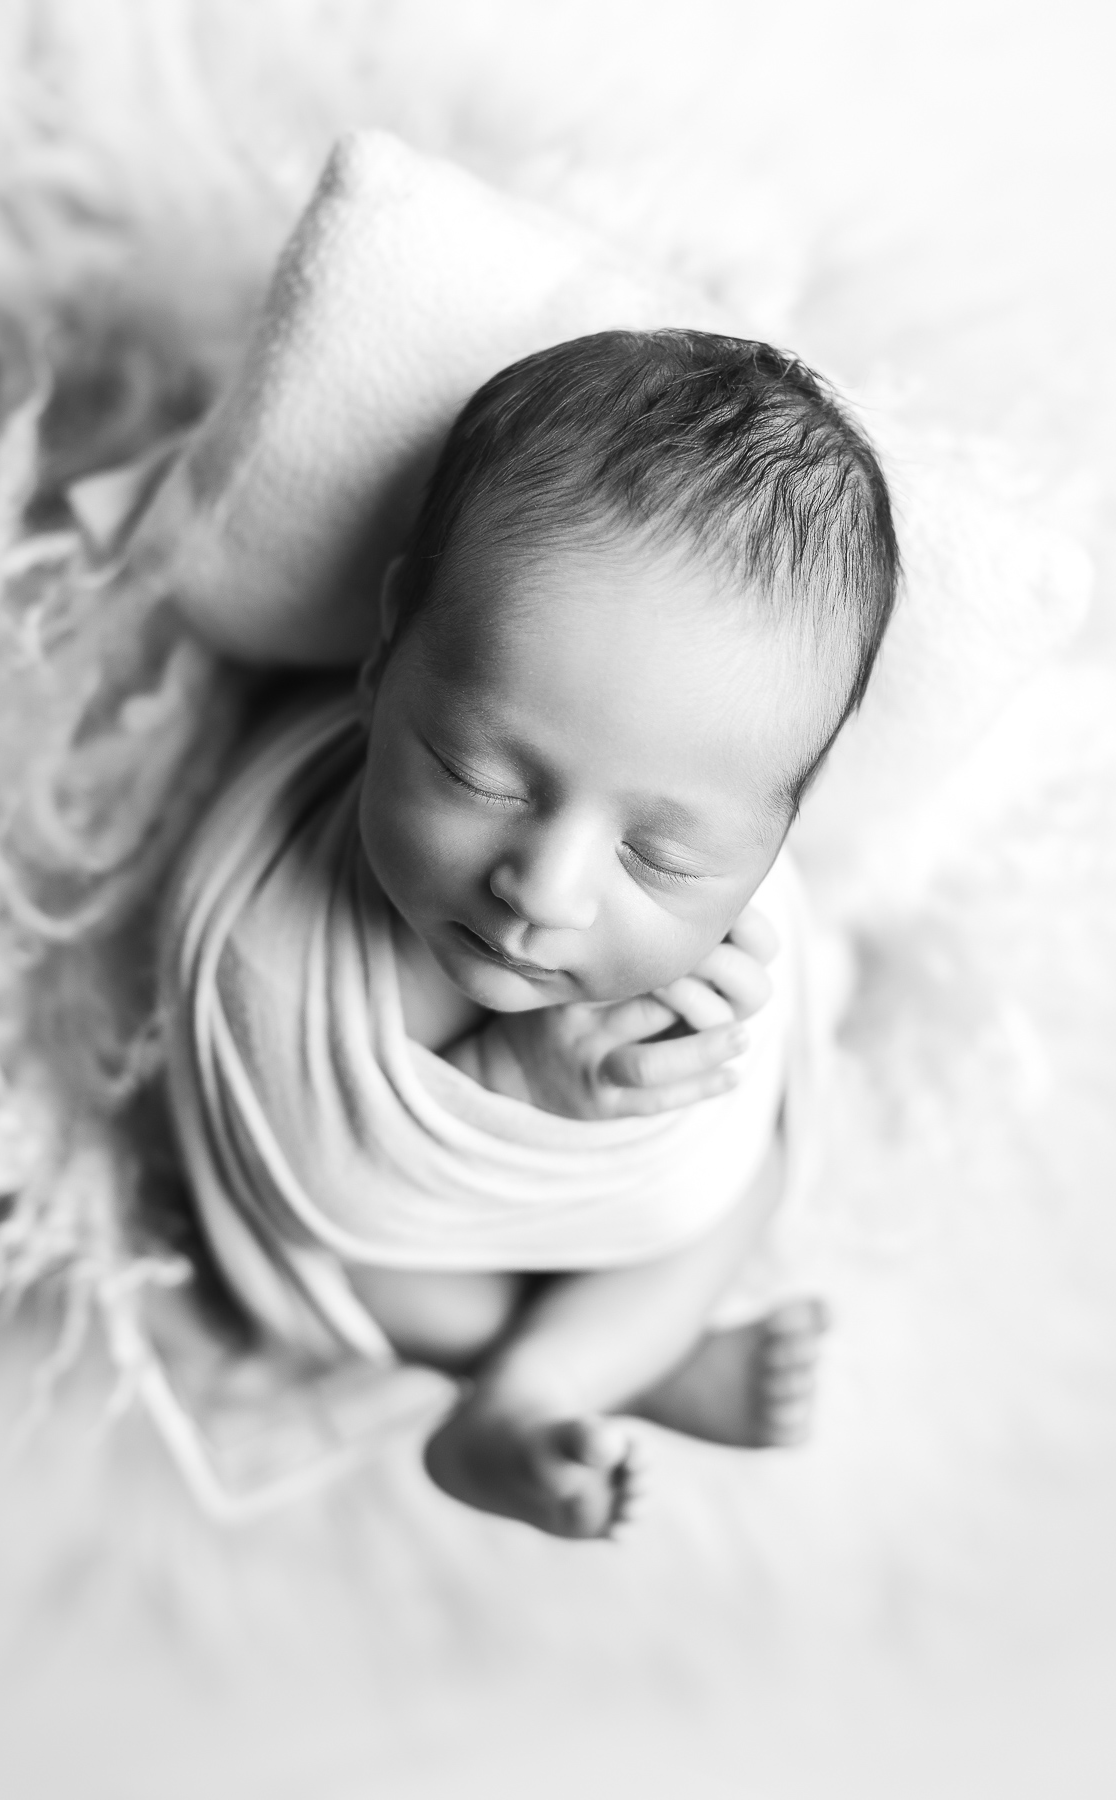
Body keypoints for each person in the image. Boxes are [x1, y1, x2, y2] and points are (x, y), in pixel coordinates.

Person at [160, 329, 899, 1538]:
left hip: (623, 1203)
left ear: (779, 825)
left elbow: (736, 1105)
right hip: (375, 1235)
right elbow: (313, 1180)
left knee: (747, 1174)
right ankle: (570, 1371)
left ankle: (545, 1380)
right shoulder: (280, 938)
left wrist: (708, 1069)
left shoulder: (742, 895)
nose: (544, 891)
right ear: (390, 645)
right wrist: (515, 1078)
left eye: (659, 855)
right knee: (363, 1275)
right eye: (481, 774)